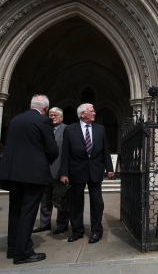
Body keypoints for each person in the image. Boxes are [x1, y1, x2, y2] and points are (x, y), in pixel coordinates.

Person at [0, 95, 58, 264]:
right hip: (33, 174)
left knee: (16, 210)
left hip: (13, 174)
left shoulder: (16, 119)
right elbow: (53, 148)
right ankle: (23, 252)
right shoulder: (43, 121)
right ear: (45, 109)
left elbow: (6, 141)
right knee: (28, 212)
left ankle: (13, 248)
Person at [60, 103, 114, 244]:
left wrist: (109, 168)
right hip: (76, 170)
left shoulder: (100, 129)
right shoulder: (70, 129)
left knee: (97, 202)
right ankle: (77, 231)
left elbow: (105, 150)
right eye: (91, 111)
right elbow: (65, 153)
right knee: (76, 203)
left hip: (95, 170)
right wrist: (64, 173)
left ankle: (97, 231)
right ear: (82, 114)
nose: (95, 113)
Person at [32, 107, 69, 235]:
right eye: (51, 115)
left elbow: (67, 152)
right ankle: (44, 223)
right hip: (44, 170)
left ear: (62, 117)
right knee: (44, 199)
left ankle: (62, 225)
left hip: (59, 171)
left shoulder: (67, 130)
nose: (53, 117)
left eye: (56, 115)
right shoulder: (44, 129)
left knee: (61, 199)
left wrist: (65, 172)